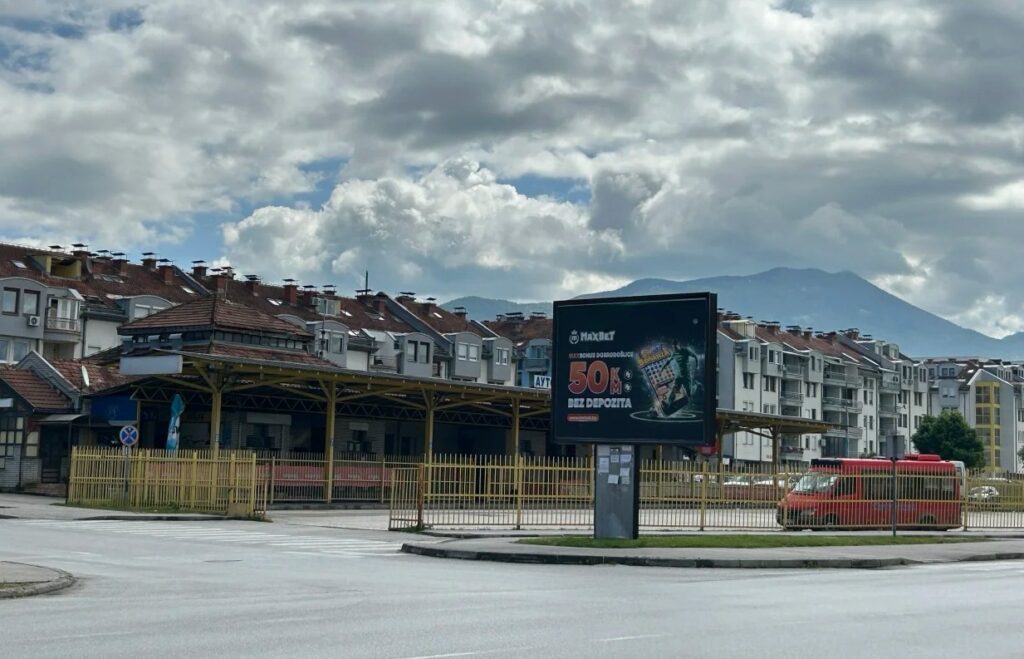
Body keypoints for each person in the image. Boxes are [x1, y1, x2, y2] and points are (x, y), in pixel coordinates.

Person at [665, 341, 699, 409]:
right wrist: (662, 369)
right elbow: (668, 361)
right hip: (679, 376)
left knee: (689, 394)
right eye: (673, 347)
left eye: (675, 347)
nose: (674, 348)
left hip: (686, 375)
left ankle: (696, 385)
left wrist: (697, 365)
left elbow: (695, 356)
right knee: (674, 390)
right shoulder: (674, 353)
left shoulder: (685, 350)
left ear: (678, 345)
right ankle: (669, 403)